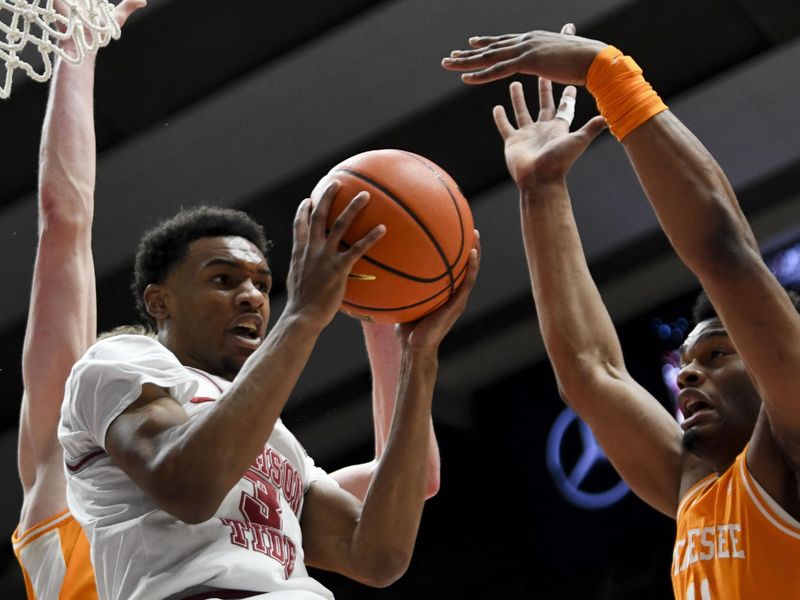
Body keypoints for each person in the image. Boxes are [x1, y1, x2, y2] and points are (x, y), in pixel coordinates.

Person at [443, 23, 800, 599]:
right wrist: (541, 189)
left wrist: (608, 73)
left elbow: (726, 257)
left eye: (716, 354)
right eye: (687, 359)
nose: (685, 373)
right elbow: (590, 373)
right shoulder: (697, 488)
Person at [58, 194, 479, 599]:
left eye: (262, 284)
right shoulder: (121, 360)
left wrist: (418, 357)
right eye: (223, 280)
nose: (253, 297)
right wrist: (303, 315)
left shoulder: (277, 439)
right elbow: (190, 488)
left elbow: (375, 555)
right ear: (159, 300)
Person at [12, 3, 146, 599]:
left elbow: (406, 486)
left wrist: (398, 337)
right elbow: (64, 223)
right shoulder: (67, 474)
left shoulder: (228, 497)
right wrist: (79, 43)